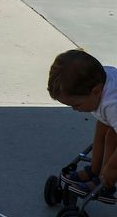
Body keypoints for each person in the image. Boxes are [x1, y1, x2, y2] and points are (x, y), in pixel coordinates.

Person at [47, 49, 117, 201]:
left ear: (96, 91)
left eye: (77, 105)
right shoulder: (98, 81)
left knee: (112, 135)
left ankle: (106, 183)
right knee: (102, 127)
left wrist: (112, 168)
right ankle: (95, 170)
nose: (75, 110)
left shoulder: (113, 104)